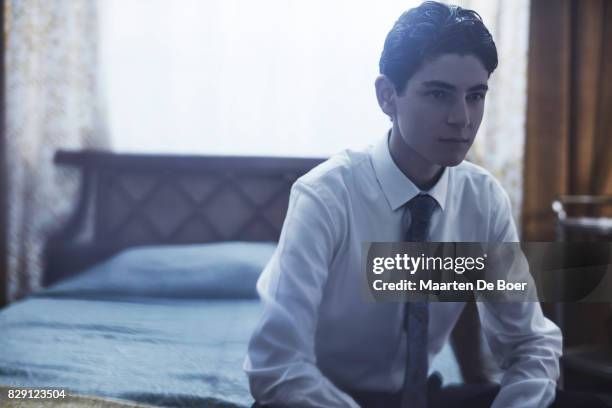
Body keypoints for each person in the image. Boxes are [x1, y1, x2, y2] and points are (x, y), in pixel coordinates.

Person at [244, 2, 567, 407]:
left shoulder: (482, 198)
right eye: (438, 94)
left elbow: (531, 344)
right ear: (387, 96)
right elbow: (277, 367)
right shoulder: (325, 197)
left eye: (476, 96)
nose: (462, 118)